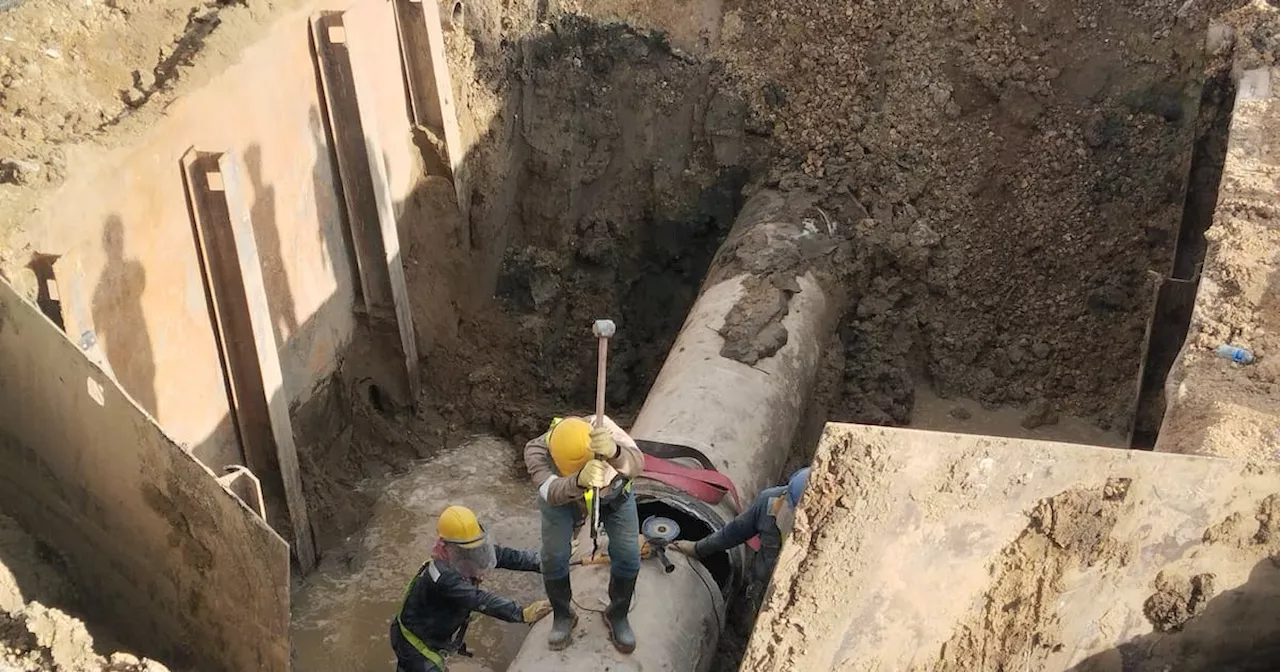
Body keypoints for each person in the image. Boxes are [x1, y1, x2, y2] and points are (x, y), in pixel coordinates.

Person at [524, 415, 644, 653]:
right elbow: (550, 491)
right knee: (553, 556)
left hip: (616, 497)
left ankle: (617, 613)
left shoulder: (606, 429)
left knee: (628, 555)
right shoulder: (536, 451)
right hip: (562, 500)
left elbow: (638, 463)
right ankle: (563, 615)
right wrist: (578, 481)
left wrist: (615, 452)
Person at [390, 505, 551, 671]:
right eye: (465, 550)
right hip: (415, 644)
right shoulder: (442, 576)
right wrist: (521, 613)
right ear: (446, 546)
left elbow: (504, 556)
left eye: (475, 547)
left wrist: (543, 562)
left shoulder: (465, 551)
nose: (473, 554)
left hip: (434, 632)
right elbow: (478, 599)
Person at [672, 466, 811, 612]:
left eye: (790, 505)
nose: (783, 504)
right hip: (761, 585)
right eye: (786, 497)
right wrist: (697, 549)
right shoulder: (770, 502)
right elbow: (735, 531)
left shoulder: (821, 542)